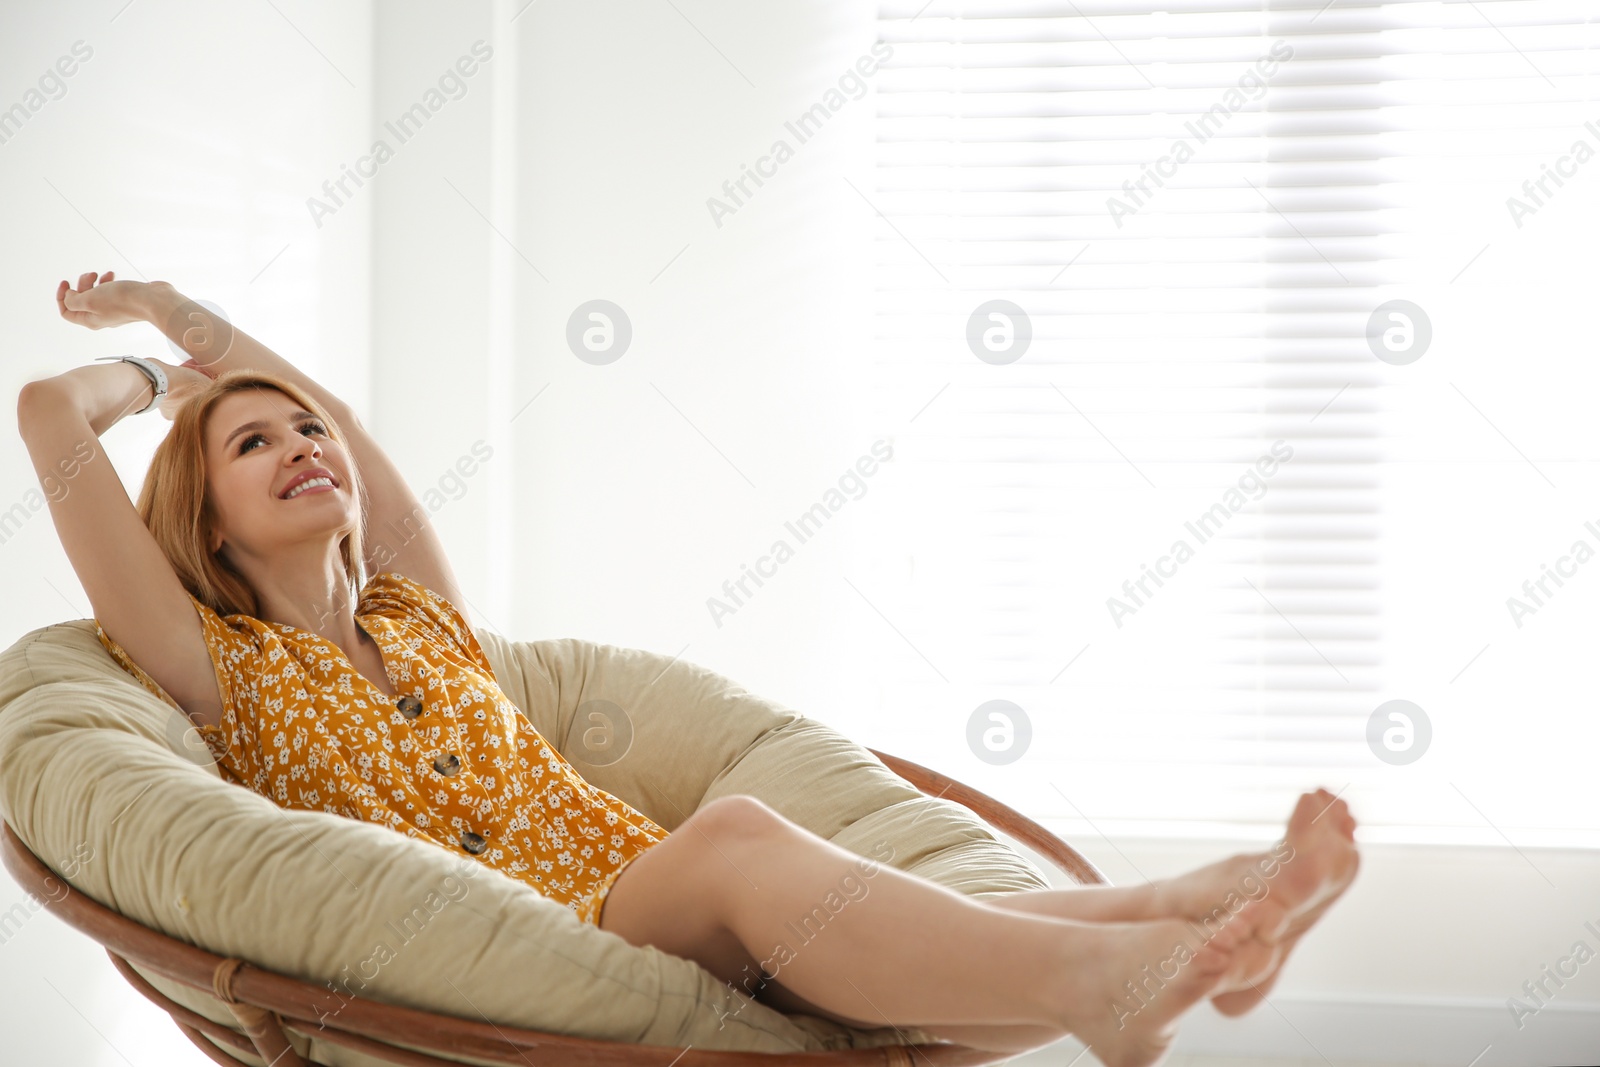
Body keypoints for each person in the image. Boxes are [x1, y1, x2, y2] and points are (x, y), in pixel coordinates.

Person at [18, 271, 1360, 1067]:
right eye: (252, 447)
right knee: (735, 840)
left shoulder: (426, 621)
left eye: (301, 428)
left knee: (780, 863)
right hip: (552, 940)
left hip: (639, 899)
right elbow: (45, 414)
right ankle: (1097, 985)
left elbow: (349, 422)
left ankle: (1188, 908)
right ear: (201, 515)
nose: (302, 442)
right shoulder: (210, 665)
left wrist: (195, 316)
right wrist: (160, 372)